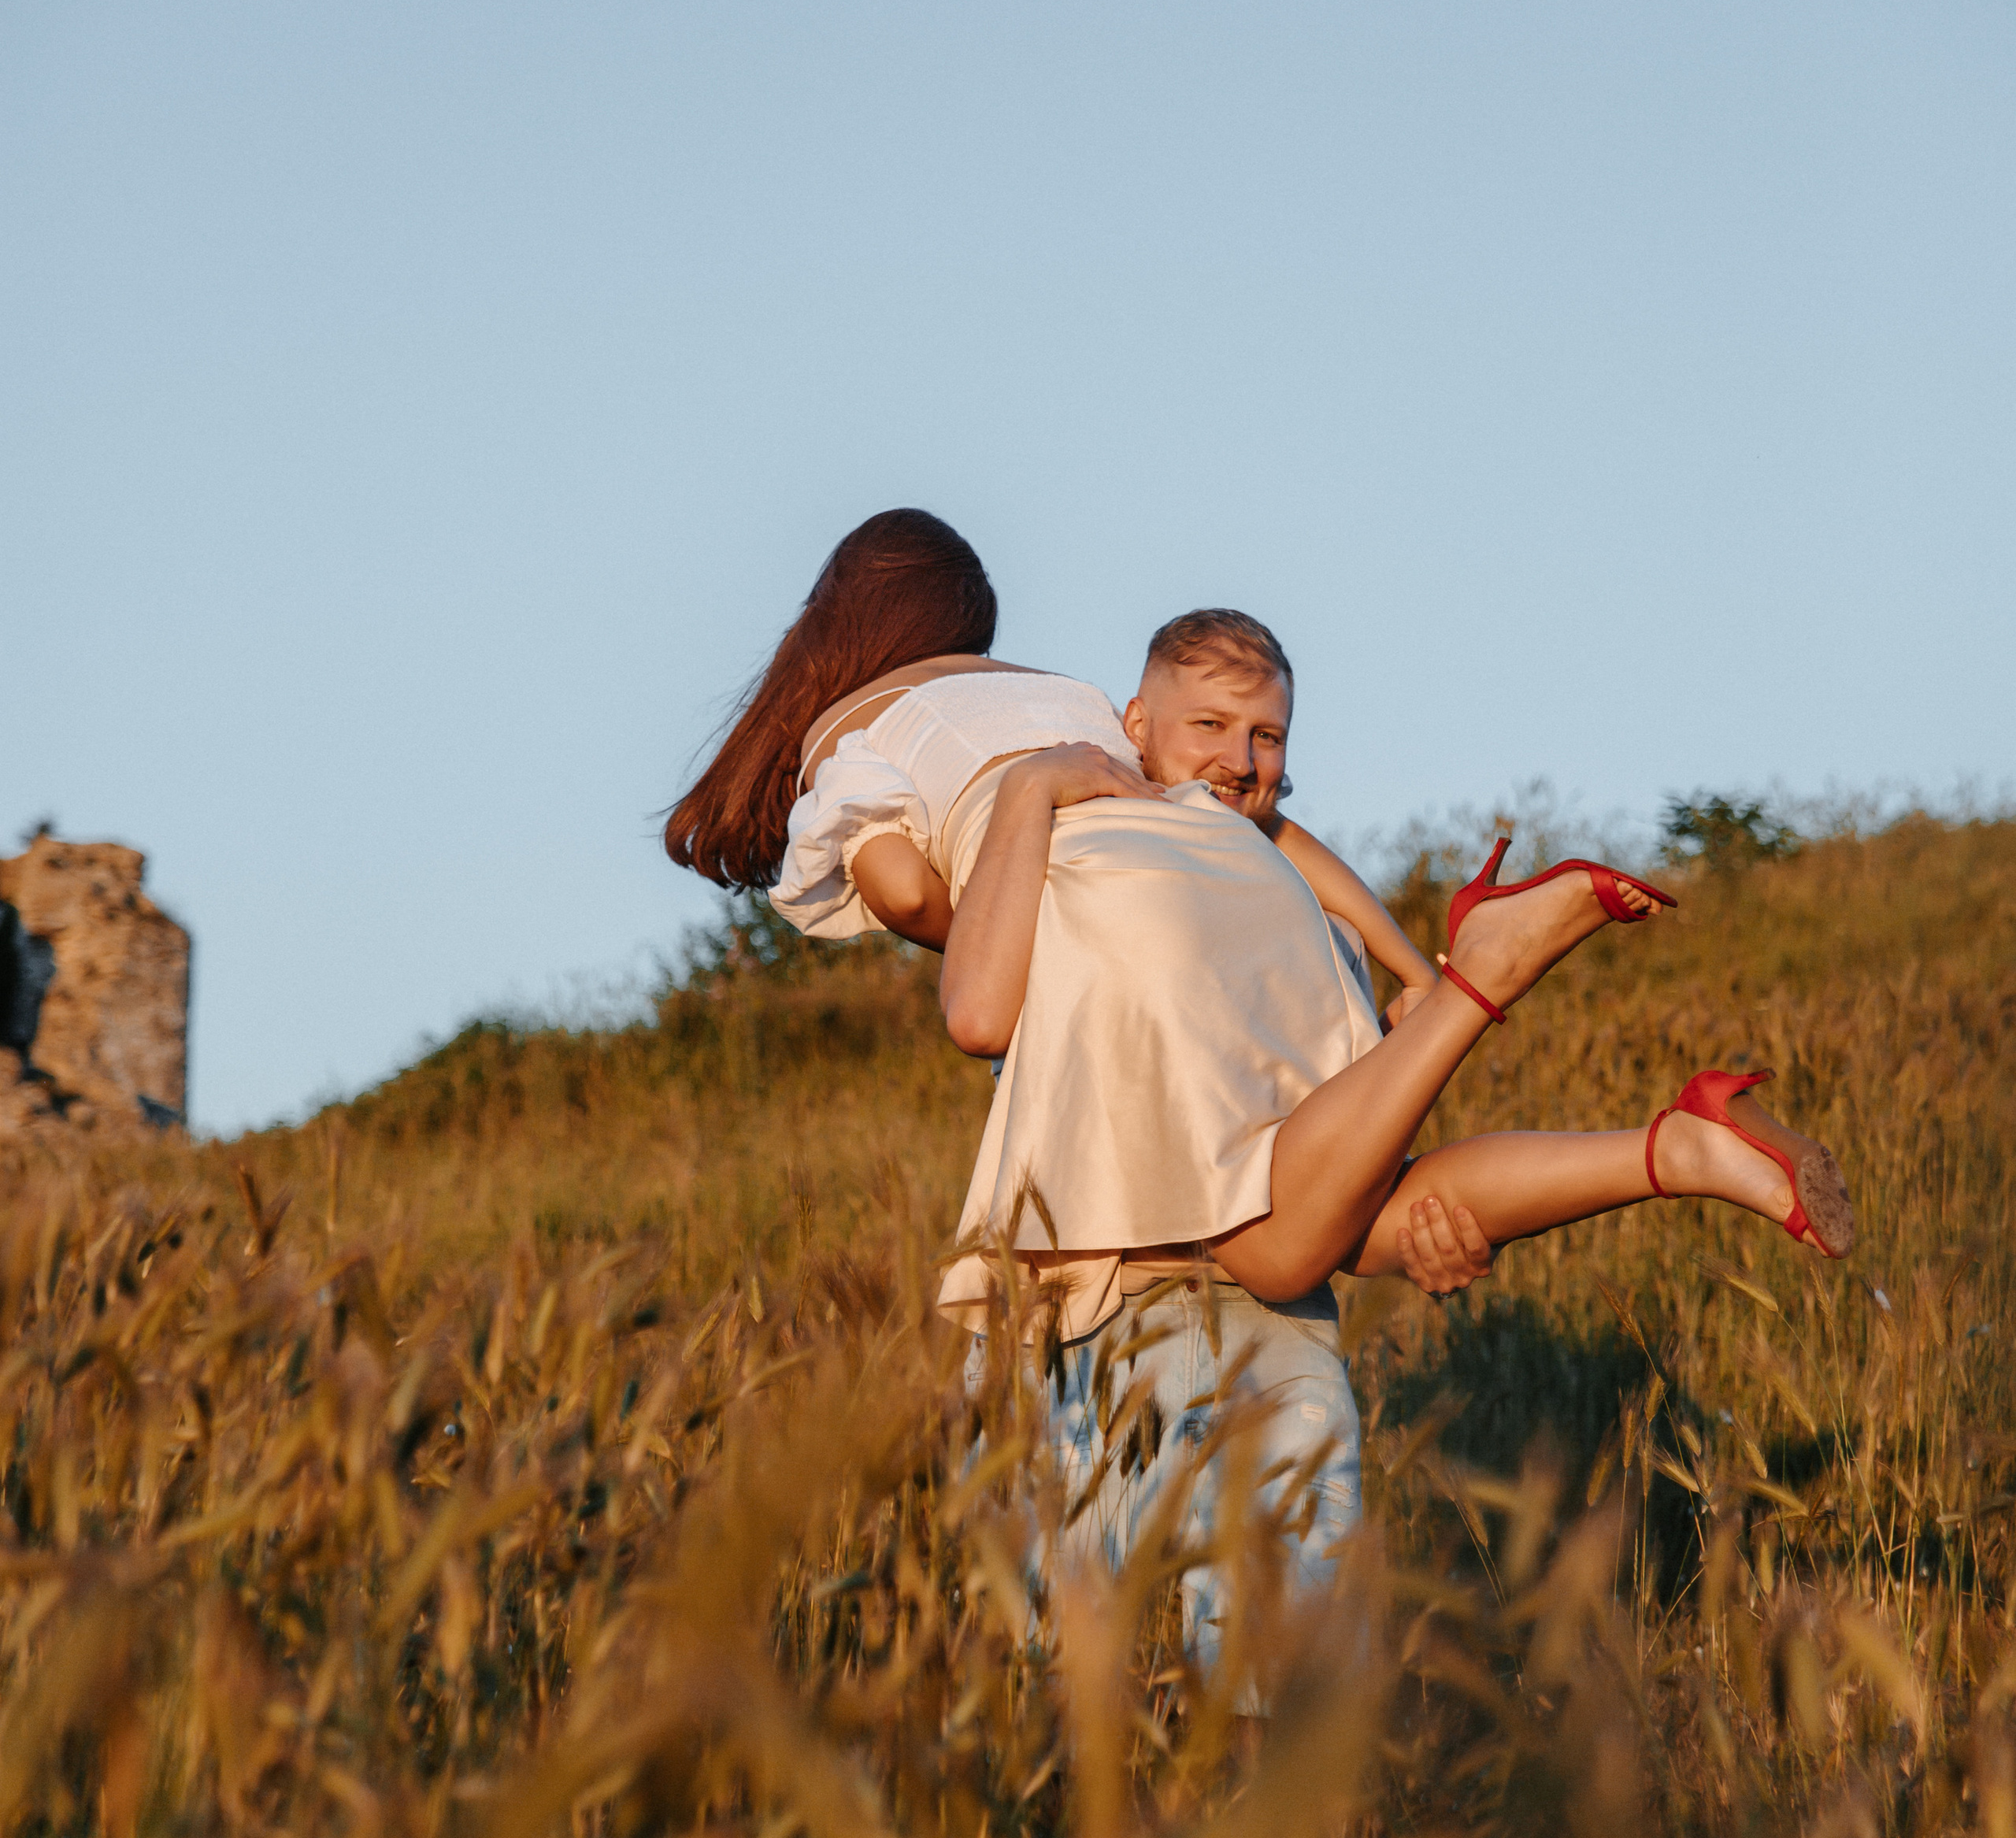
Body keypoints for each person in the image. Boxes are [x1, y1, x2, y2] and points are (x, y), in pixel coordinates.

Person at [665, 512, 1852, 1636]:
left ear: (835, 626)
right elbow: (1269, 831)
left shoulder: (856, 746)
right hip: (1265, 909)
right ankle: (1675, 1146)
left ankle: (1482, 989)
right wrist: (1410, 966)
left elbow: (942, 943)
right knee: (1352, 1226)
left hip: (1135, 948)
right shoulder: (1069, 698)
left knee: (1271, 1250)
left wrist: (1005, 837)